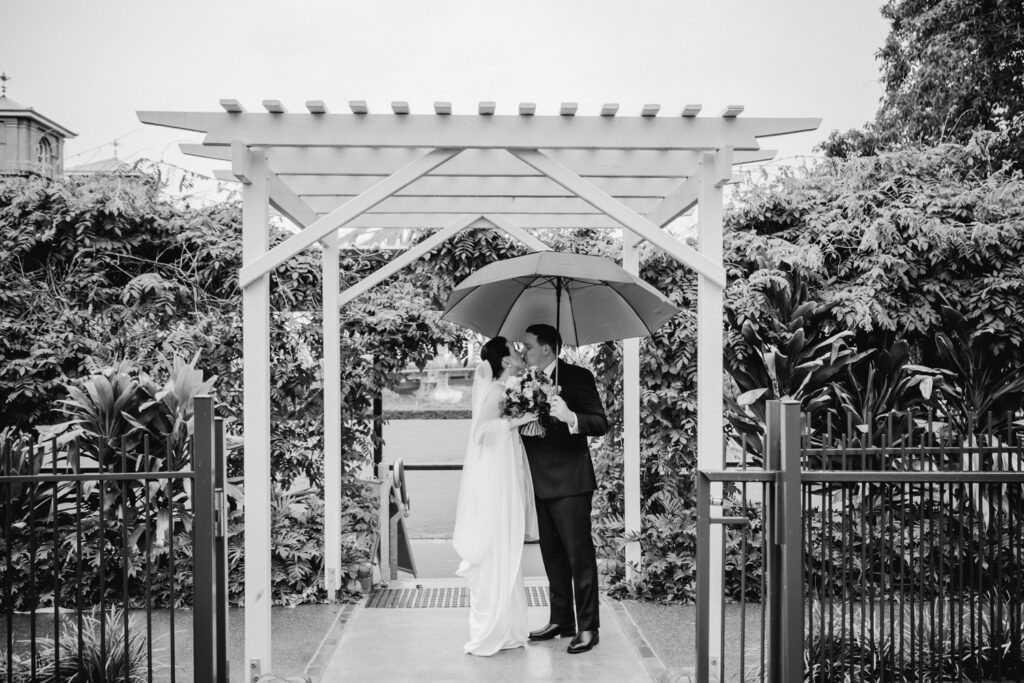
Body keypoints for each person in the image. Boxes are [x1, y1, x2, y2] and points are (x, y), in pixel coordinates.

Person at [520, 323, 609, 655]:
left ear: (546, 348)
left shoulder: (577, 377)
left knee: (579, 557)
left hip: (571, 483)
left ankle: (588, 627)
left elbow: (600, 422)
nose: (523, 351)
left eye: (528, 346)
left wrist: (570, 416)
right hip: (540, 481)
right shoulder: (525, 383)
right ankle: (561, 620)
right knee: (552, 557)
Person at [452, 337, 540, 656]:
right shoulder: (496, 392)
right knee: (498, 541)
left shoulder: (506, 390)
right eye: (515, 351)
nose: (520, 353)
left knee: (507, 541)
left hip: (506, 469)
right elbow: (480, 434)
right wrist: (521, 420)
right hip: (495, 476)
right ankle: (492, 629)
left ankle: (509, 627)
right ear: (504, 361)